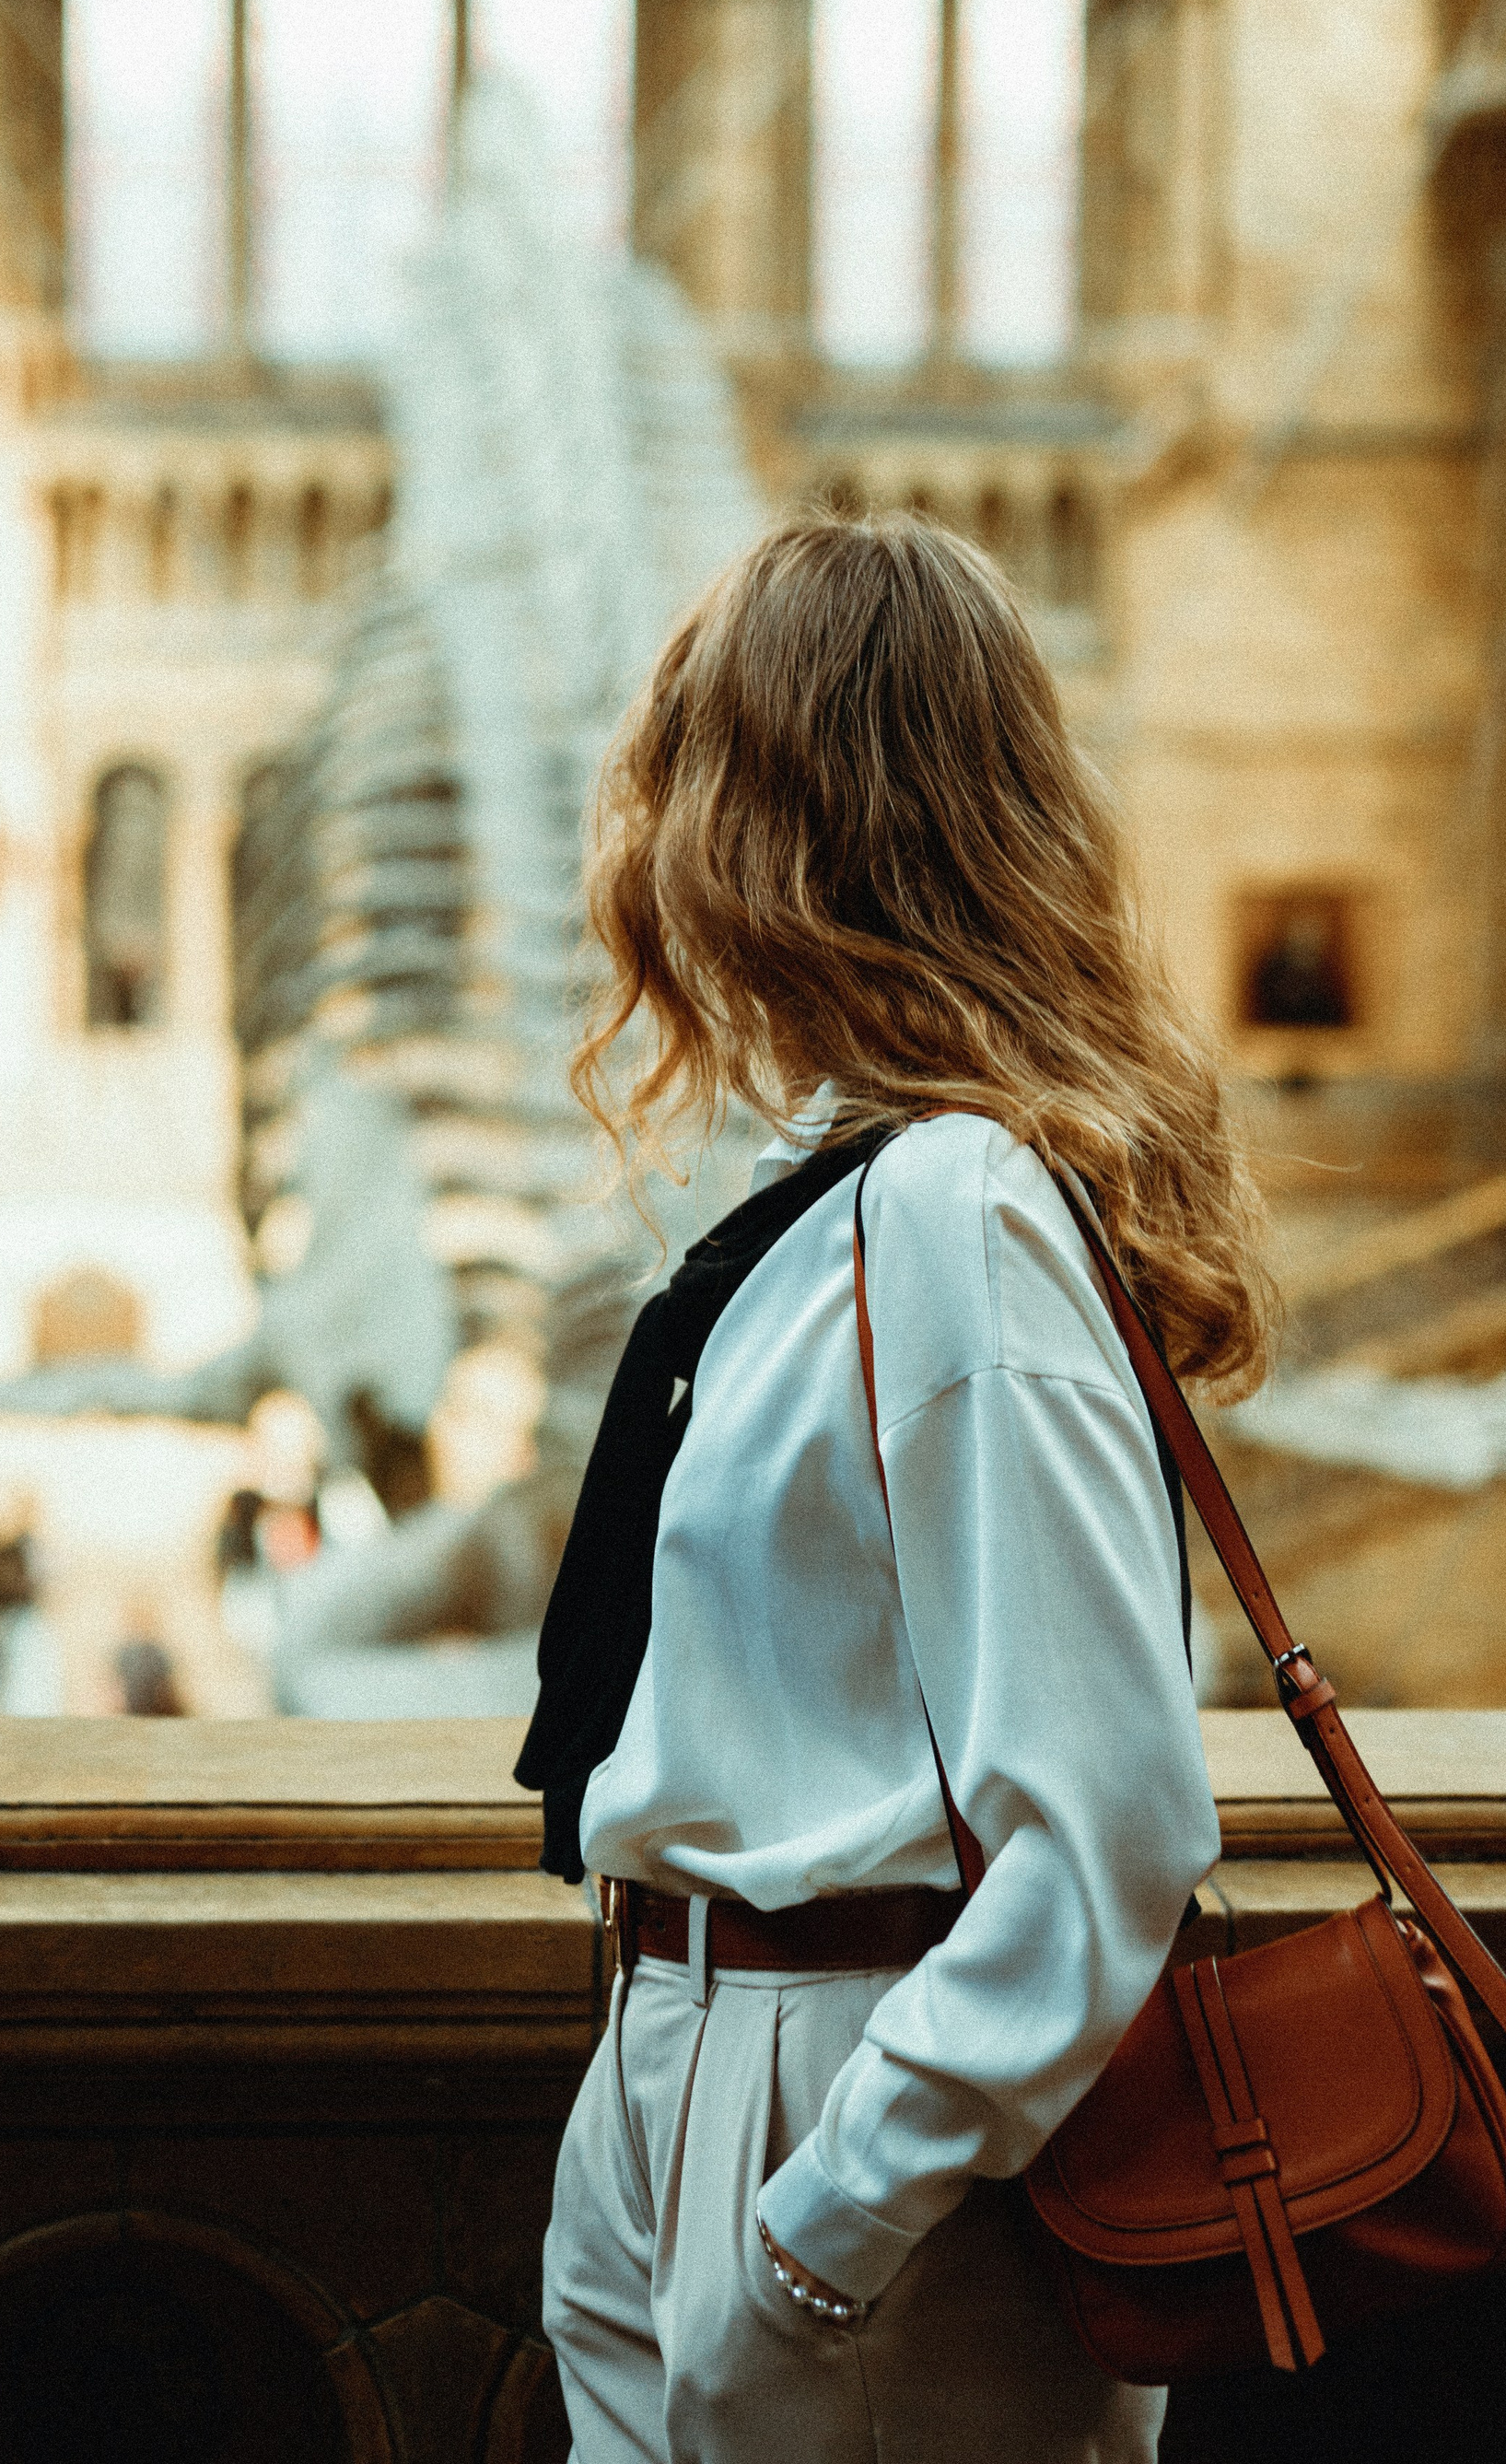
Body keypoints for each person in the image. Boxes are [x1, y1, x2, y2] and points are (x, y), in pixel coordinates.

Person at [520, 517, 1275, 2464]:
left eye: (689, 772)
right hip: (692, 2068)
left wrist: (828, 2220)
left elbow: (1108, 1817)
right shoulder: (848, 1200)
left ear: (771, 820)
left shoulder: (958, 1212)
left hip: (850, 2122)